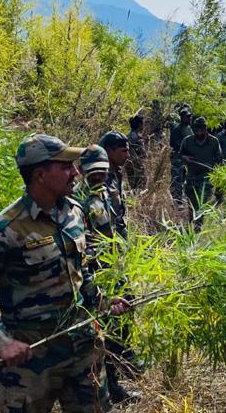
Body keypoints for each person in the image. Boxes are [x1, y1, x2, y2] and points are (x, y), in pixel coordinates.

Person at [0, 133, 130, 413]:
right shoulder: (5, 230)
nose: (76, 172)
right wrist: (1, 340)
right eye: (66, 166)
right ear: (40, 175)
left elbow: (79, 273)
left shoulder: (74, 213)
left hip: (83, 349)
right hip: (31, 363)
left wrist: (103, 301)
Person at [75, 146, 139, 404]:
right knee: (101, 334)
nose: (98, 177)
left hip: (113, 269)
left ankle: (116, 381)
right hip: (95, 275)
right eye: (93, 173)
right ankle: (106, 390)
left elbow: (114, 229)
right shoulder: (77, 201)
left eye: (102, 172)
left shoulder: (106, 193)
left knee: (122, 321)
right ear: (82, 172)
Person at [179, 116, 222, 229]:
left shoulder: (214, 141)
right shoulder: (187, 141)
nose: (199, 132)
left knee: (202, 199)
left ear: (205, 129)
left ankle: (198, 225)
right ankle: (192, 220)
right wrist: (186, 158)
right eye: (197, 130)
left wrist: (218, 176)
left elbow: (219, 159)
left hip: (207, 175)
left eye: (201, 130)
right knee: (192, 200)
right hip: (192, 175)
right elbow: (180, 154)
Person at [98, 131, 129, 240]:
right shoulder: (98, 178)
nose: (127, 155)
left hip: (119, 233)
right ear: (109, 151)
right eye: (123, 151)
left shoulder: (117, 173)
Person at [168, 109, 193, 207]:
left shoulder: (189, 128)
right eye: (187, 116)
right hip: (178, 158)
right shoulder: (177, 129)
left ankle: (182, 198)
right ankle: (177, 201)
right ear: (182, 118)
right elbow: (173, 143)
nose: (189, 118)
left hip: (187, 159)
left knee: (184, 179)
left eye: (190, 116)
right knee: (177, 179)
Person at [125, 113, 147, 192]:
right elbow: (142, 153)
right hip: (136, 165)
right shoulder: (137, 137)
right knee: (140, 187)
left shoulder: (128, 135)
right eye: (143, 124)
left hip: (129, 164)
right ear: (140, 125)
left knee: (133, 187)